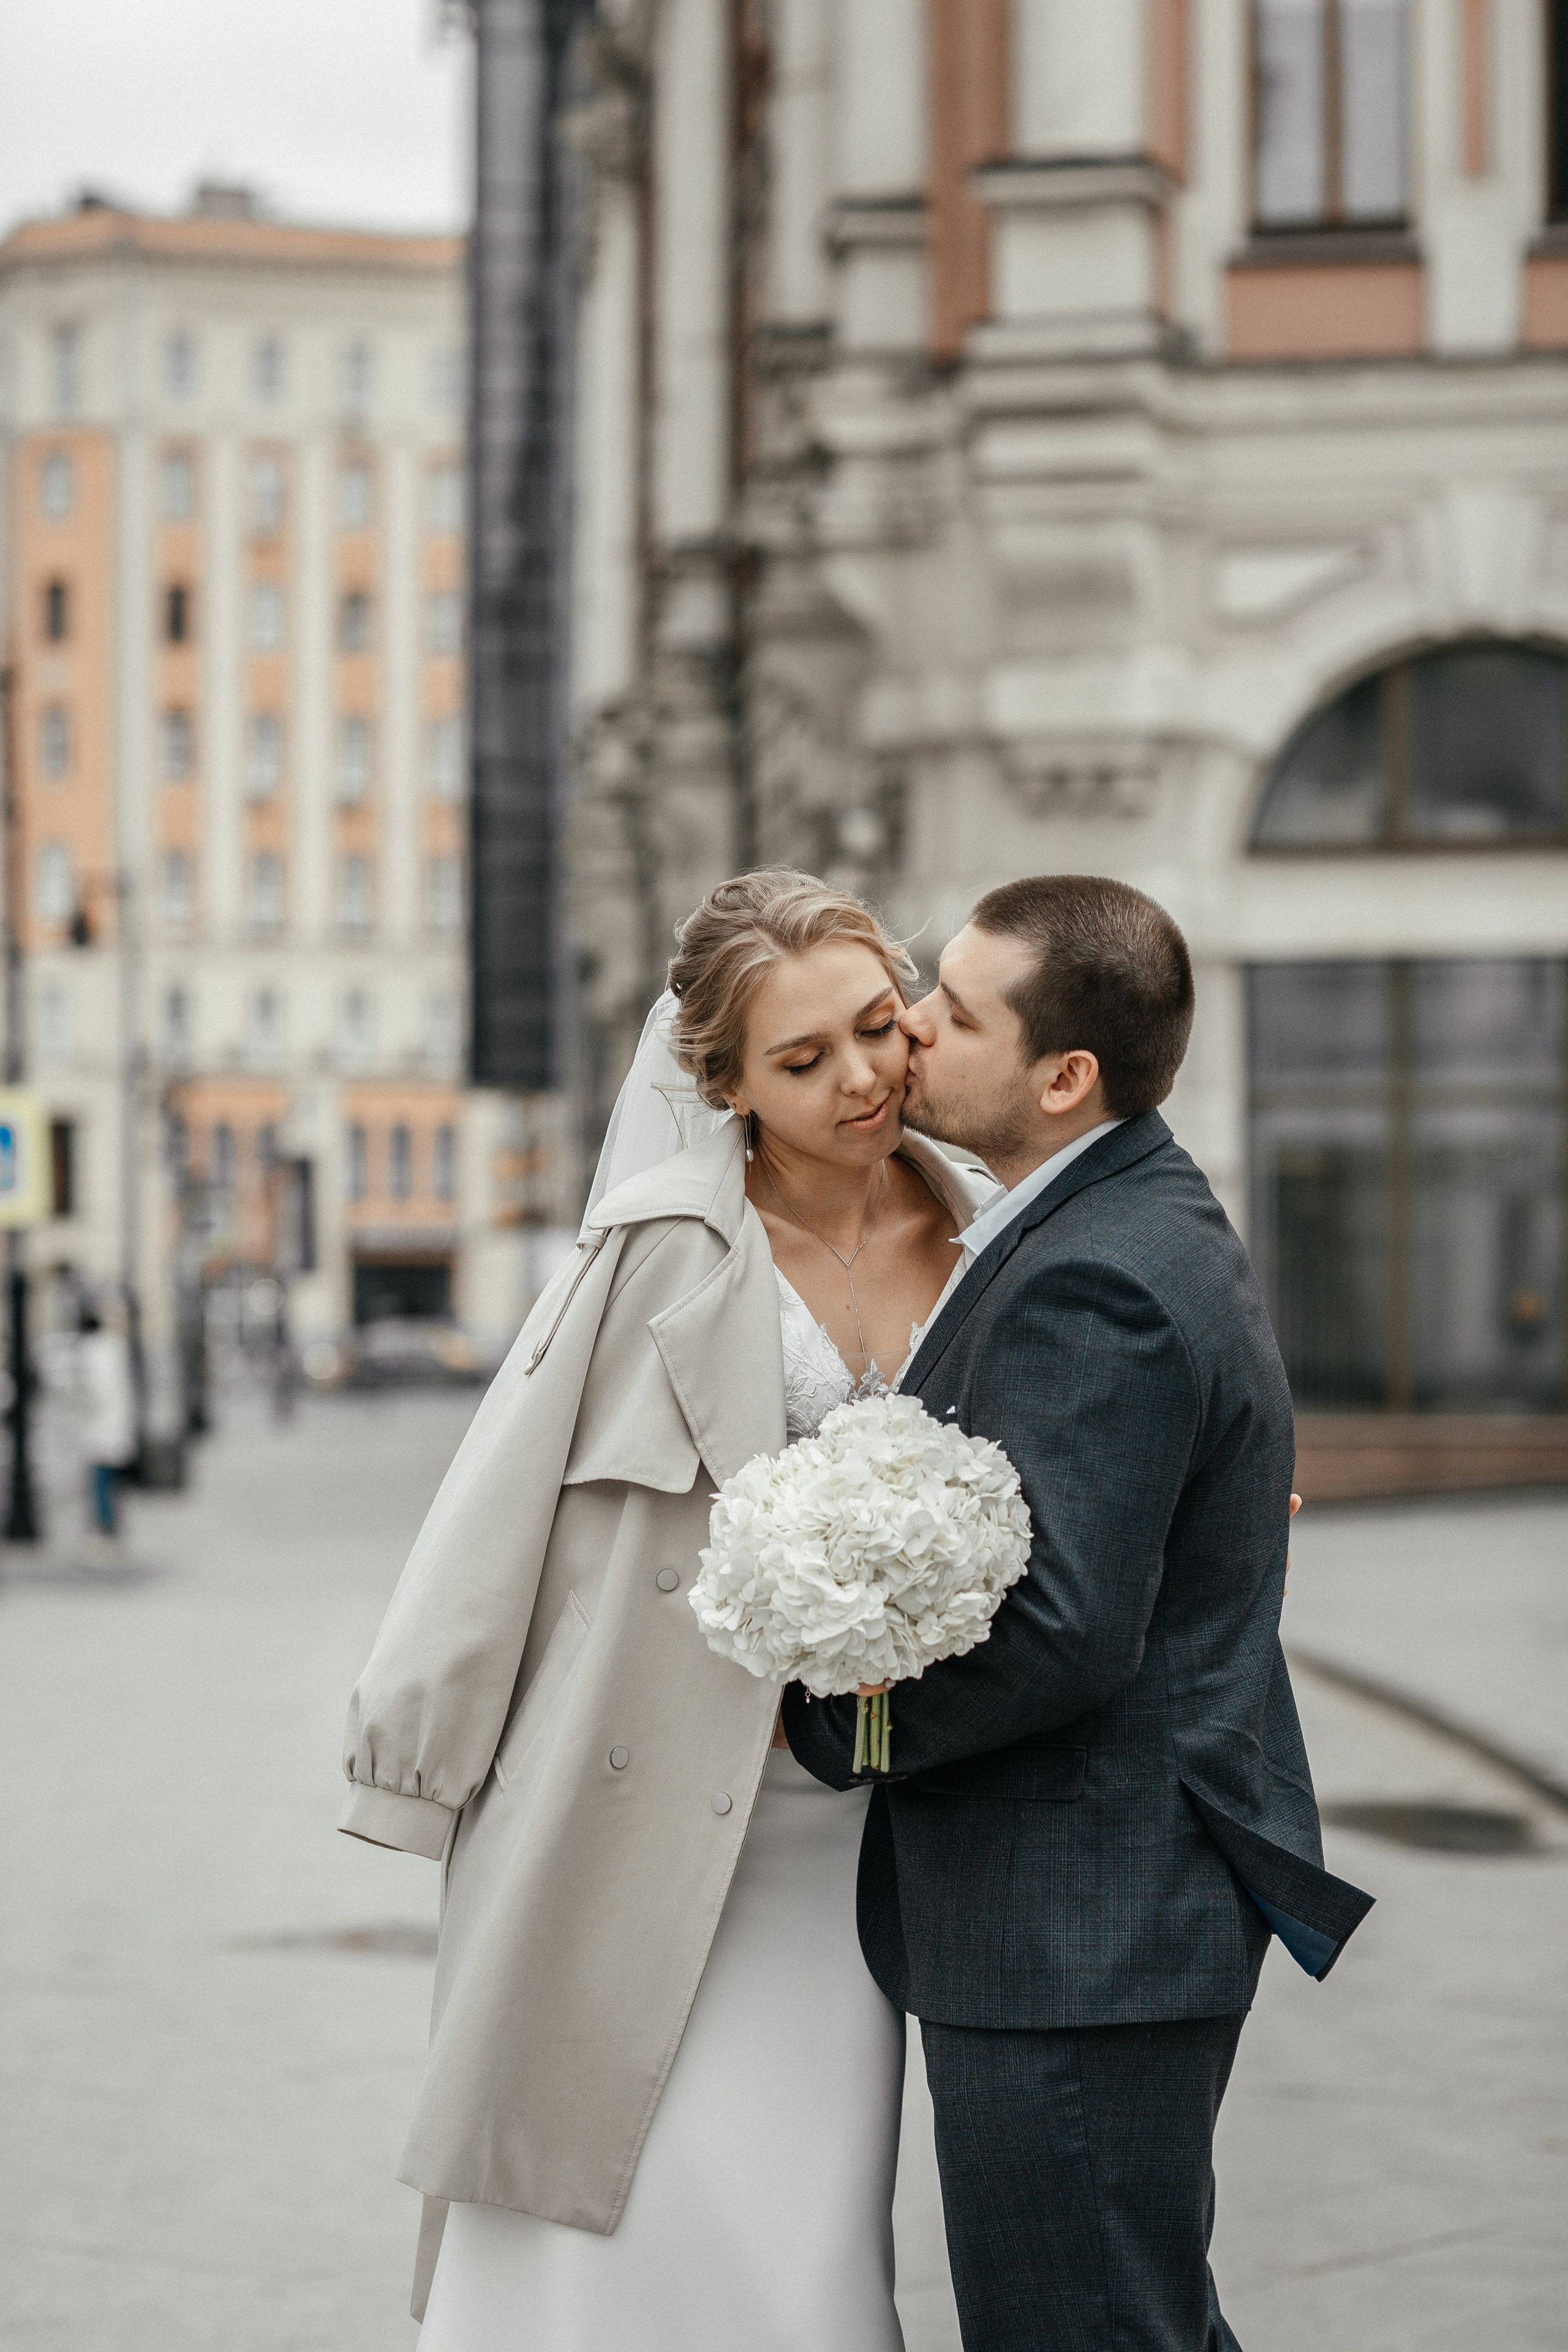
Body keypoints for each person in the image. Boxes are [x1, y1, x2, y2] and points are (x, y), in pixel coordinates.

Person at [337, 870, 995, 2346]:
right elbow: (493, 1508)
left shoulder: (993, 1229)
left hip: (864, 1833)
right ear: (724, 1085)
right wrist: (412, 1763)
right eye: (801, 1058)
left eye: (875, 1026)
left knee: (803, 2225)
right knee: (595, 2197)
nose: (860, 1078)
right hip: (633, 1792)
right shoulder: (651, 1243)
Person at [786, 874, 1375, 2352]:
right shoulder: (1111, 1214)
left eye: (954, 1007)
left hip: (1073, 1928)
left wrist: (835, 1726)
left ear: (1063, 1078)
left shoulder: (1099, 1271)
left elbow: (1056, 1630)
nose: (911, 1022)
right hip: (1097, 1914)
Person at [74, 1303, 137, 1541]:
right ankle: (112, 1524)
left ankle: (104, 1526)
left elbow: (94, 1393)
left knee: (100, 1481)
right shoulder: (114, 1348)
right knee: (113, 1481)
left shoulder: (91, 1353)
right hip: (117, 1425)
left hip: (100, 1428)